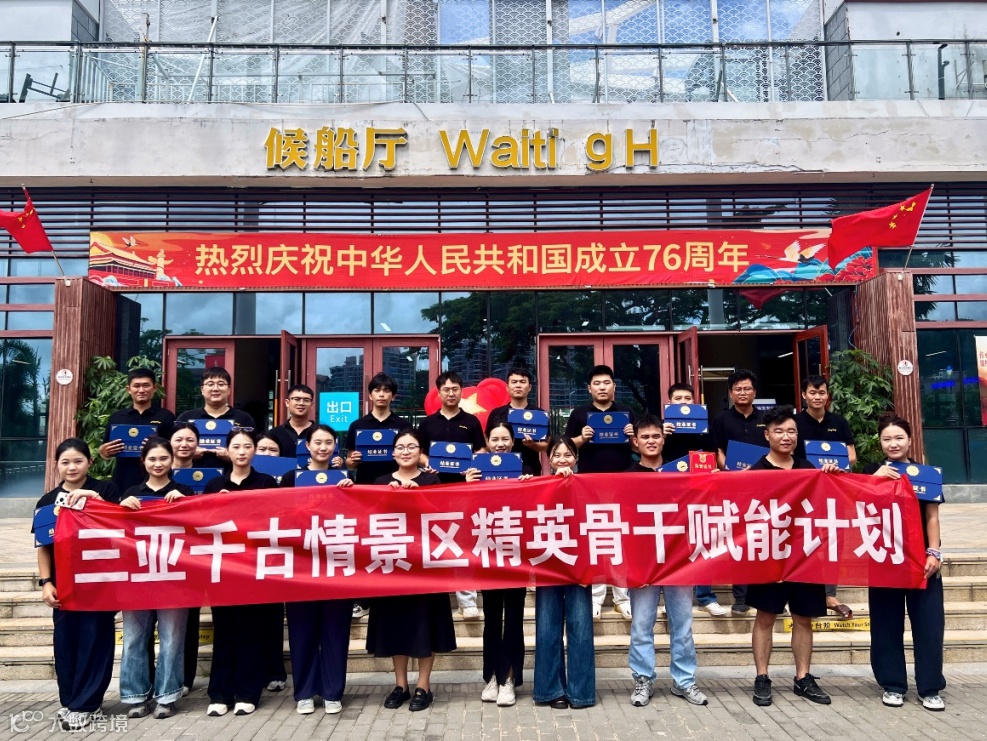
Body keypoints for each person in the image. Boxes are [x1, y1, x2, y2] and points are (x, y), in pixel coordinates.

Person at [746, 405, 840, 708]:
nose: (786, 437)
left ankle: (803, 678)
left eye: (791, 431)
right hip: (769, 558)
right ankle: (762, 677)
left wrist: (833, 476)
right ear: (767, 435)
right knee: (765, 618)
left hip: (805, 559)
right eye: (779, 431)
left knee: (803, 619)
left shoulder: (809, 470)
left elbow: (830, 503)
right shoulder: (754, 473)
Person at [369, 428, 457, 713]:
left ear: (421, 453)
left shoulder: (431, 480)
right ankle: (401, 685)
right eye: (400, 447)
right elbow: (370, 516)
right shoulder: (380, 481)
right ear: (392, 452)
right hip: (393, 565)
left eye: (412, 447)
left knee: (425, 624)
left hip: (425, 566)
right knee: (396, 625)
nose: (405, 452)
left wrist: (420, 495)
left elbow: (441, 516)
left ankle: (423, 685)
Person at [34, 439, 120, 731]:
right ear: (56, 465)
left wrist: (93, 497)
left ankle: (88, 704)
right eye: (65, 462)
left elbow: (119, 525)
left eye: (78, 461)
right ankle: (71, 701)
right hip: (65, 585)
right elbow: (43, 547)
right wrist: (46, 582)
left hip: (99, 582)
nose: (72, 467)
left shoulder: (105, 489)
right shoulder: (47, 501)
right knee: (66, 643)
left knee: (96, 641)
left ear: (89, 462)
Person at [625, 414, 708, 709]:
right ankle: (643, 678)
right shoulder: (626, 477)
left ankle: (684, 680)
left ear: (664, 438)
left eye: (656, 436)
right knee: (641, 624)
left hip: (679, 559)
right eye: (645, 437)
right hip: (643, 561)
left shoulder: (681, 471)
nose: (651, 441)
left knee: (683, 624)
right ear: (635, 442)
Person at [865, 414, 946, 711]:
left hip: (921, 561)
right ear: (880, 442)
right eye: (886, 438)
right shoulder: (872, 472)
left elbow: (932, 517)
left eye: (899, 438)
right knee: (886, 624)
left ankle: (930, 687)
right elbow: (856, 504)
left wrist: (933, 552)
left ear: (910, 440)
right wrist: (874, 480)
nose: (893, 444)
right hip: (884, 559)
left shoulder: (926, 474)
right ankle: (893, 684)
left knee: (929, 625)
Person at [202, 427, 278, 717]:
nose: (242, 451)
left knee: (251, 631)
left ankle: (247, 693)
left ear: (254, 451)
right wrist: (217, 506)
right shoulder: (214, 484)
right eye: (236, 446)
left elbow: (275, 518)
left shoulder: (266, 482)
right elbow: (202, 524)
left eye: (247, 446)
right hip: (223, 568)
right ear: (227, 451)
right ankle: (220, 694)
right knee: (224, 633)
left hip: (254, 567)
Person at [280, 425, 355, 715]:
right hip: (301, 565)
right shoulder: (291, 478)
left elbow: (357, 517)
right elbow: (278, 513)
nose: (323, 447)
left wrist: (351, 493)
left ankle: (333, 692)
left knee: (336, 630)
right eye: (317, 442)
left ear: (335, 446)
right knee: (302, 631)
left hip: (337, 564)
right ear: (307, 446)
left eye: (328, 442)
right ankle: (305, 692)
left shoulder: (346, 478)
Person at [118, 438, 192, 720]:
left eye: (163, 458)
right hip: (137, 578)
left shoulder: (184, 492)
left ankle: (167, 697)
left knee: (172, 640)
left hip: (174, 578)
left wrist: (185, 505)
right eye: (152, 459)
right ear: (143, 462)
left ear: (172, 461)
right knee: (133, 639)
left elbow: (196, 530)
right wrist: (120, 508)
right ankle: (135, 696)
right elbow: (117, 533)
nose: (158, 464)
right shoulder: (131, 493)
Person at [463, 420, 534, 707]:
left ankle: (510, 679)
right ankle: (492, 676)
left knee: (514, 619)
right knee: (491, 619)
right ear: (487, 442)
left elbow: (535, 508)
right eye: (495, 439)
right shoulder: (476, 470)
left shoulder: (526, 470)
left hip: (516, 552)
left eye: (505, 439)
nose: (500, 444)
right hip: (487, 552)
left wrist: (529, 487)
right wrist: (467, 486)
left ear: (513, 442)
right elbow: (465, 511)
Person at [564, 364, 636, 619]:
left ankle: (622, 597)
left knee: (621, 540)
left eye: (606, 383)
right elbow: (566, 448)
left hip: (623, 484)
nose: (602, 387)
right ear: (589, 388)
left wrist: (632, 436)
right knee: (595, 539)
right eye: (597, 383)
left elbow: (641, 446)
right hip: (589, 486)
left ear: (614, 386)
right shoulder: (579, 414)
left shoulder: (627, 412)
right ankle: (595, 597)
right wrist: (581, 438)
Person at [533, 436, 596, 710]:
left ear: (576, 458)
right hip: (548, 564)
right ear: (548, 459)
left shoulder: (587, 486)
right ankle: (550, 690)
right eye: (556, 455)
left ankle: (581, 692)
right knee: (548, 628)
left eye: (567, 454)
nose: (562, 460)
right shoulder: (537, 485)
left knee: (580, 627)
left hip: (579, 565)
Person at [417, 371, 486, 620]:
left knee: (463, 543)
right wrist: (427, 463)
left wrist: (472, 463)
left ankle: (467, 601)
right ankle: (432, 596)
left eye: (455, 389)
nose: (450, 393)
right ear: (438, 393)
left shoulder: (471, 421)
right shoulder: (427, 423)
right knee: (433, 542)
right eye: (446, 389)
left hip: (463, 490)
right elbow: (418, 451)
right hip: (432, 490)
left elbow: (481, 450)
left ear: (461, 391)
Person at [345, 373, 413, 620]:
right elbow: (350, 462)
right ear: (370, 395)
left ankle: (397, 595)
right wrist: (351, 462)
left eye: (386, 390)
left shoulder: (403, 426)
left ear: (393, 396)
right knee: (368, 545)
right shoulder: (357, 425)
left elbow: (412, 456)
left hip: (397, 492)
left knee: (397, 542)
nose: (382, 394)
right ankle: (364, 599)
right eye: (377, 390)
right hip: (367, 493)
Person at [793, 374, 858, 619]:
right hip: (805, 490)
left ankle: (830, 593)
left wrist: (835, 465)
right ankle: (803, 588)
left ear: (827, 395)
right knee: (804, 537)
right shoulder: (795, 422)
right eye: (812, 392)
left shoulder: (838, 422)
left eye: (821, 392)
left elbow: (851, 456)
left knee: (832, 539)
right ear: (804, 395)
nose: (817, 397)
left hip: (833, 489)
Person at [661, 382, 728, 617]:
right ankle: (671, 600)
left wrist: (715, 471)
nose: (683, 403)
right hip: (670, 493)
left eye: (687, 399)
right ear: (669, 402)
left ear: (694, 402)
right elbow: (648, 455)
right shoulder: (661, 429)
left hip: (700, 492)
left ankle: (706, 597)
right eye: (678, 399)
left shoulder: (704, 427)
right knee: (673, 545)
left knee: (702, 542)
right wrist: (662, 434)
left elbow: (712, 456)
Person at [710, 369, 768, 615]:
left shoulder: (766, 418)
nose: (743, 393)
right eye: (738, 389)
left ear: (755, 392)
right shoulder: (721, 419)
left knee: (764, 539)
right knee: (738, 540)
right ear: (731, 393)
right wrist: (731, 472)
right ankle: (741, 597)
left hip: (764, 486)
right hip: (733, 487)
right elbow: (718, 451)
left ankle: (766, 596)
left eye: (747, 389)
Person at [98, 367, 176, 492]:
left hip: (159, 480)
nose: (141, 390)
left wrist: (157, 445)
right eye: (136, 386)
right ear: (128, 389)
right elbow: (104, 449)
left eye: (146, 385)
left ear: (154, 388)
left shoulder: (166, 416)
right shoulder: (117, 417)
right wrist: (104, 452)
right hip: (123, 479)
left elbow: (175, 448)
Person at [175, 367, 255, 469]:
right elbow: (171, 451)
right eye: (210, 384)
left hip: (233, 476)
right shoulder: (185, 418)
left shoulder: (244, 419)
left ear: (229, 389)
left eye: (221, 384)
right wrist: (188, 454)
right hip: (191, 475)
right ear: (202, 389)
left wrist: (232, 456)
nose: (215, 388)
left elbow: (253, 454)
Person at [486, 366, 549, 476]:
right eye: (514, 382)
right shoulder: (497, 413)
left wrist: (533, 445)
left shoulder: (540, 414)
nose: (518, 385)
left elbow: (547, 445)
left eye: (522, 382)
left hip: (531, 469)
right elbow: (487, 441)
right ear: (507, 387)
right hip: (501, 468)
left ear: (529, 387)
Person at [269, 384, 317, 460]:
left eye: (306, 400)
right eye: (297, 399)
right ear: (287, 402)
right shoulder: (273, 434)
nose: (301, 403)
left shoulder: (320, 433)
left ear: (312, 405)